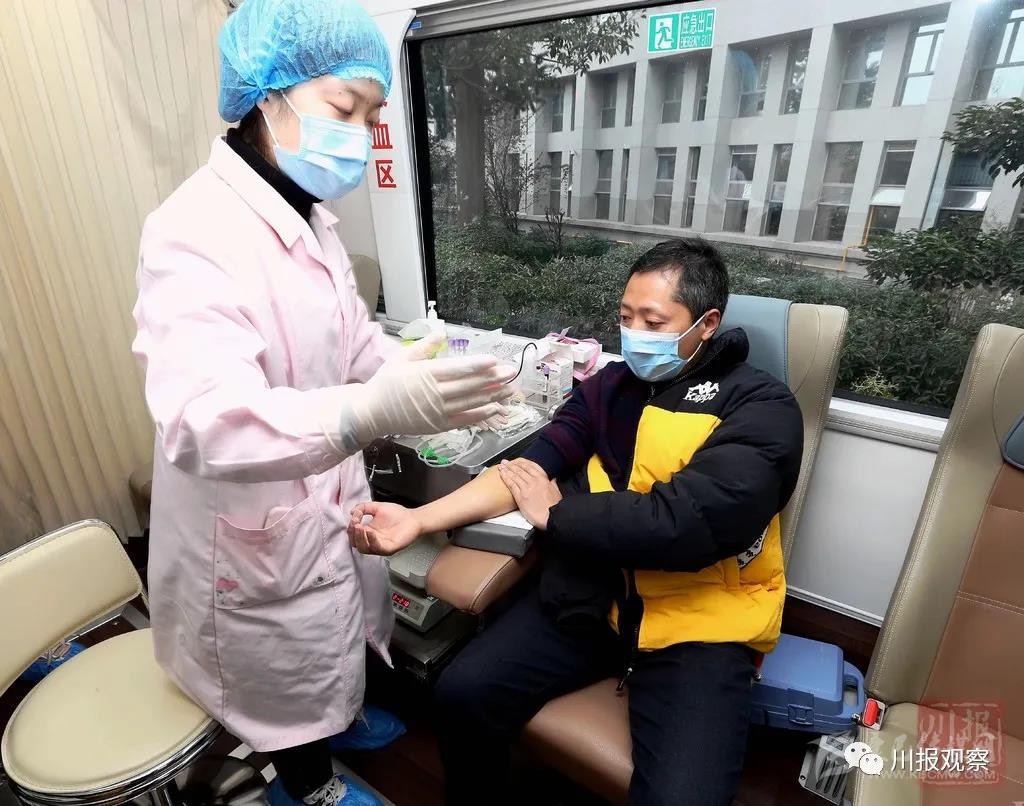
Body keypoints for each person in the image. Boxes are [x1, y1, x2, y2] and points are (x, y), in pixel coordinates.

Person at [130, 2, 512, 805]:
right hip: (248, 522)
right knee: (281, 672)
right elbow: (202, 420)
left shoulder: (310, 217)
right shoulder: (192, 231)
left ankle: (338, 715)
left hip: (324, 494)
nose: (363, 133)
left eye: (373, 115)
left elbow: (349, 341)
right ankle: (305, 784)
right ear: (267, 96)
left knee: (335, 633)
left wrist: (417, 379)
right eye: (346, 108)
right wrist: (361, 414)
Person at [349, 238, 805, 806]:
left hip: (697, 620)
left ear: (706, 324)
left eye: (653, 322)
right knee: (463, 692)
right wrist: (417, 520)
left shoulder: (760, 406)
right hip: (594, 599)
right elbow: (524, 472)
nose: (634, 333)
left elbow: (689, 522)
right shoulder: (607, 389)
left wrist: (559, 513)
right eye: (625, 317)